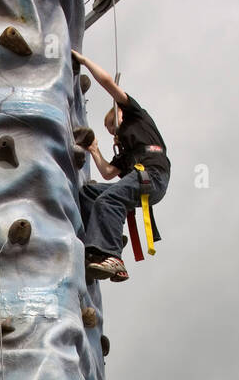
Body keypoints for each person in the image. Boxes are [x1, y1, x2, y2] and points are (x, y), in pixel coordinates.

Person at [71, 49, 170, 283]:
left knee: (109, 200)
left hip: (152, 176)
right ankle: (94, 247)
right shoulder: (126, 152)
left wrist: (85, 61)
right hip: (141, 179)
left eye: (112, 128)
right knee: (89, 193)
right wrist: (94, 150)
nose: (113, 134)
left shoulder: (136, 115)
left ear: (120, 115)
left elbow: (107, 82)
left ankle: (113, 257)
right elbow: (107, 172)